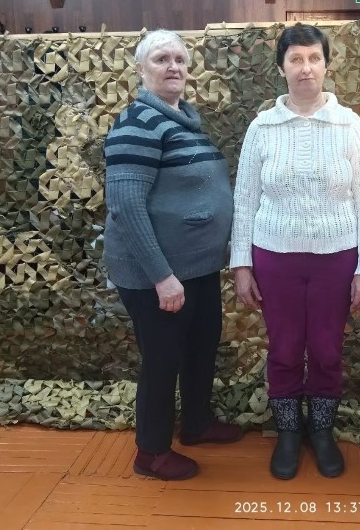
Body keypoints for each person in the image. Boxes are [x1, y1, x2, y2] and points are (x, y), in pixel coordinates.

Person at [230, 24, 360, 480]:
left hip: (337, 258)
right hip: (275, 257)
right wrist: (241, 264)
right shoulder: (262, 127)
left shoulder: (349, 124)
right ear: (281, 68)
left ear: (327, 65)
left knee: (327, 349)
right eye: (295, 59)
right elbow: (244, 199)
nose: (306, 68)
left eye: (314, 58)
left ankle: (321, 430)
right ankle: (288, 432)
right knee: (283, 347)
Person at [103, 29, 242, 482]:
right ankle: (151, 452)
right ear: (141, 69)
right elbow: (125, 205)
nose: (173, 67)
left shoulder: (185, 120)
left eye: (180, 59)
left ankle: (196, 423)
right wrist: (161, 277)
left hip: (197, 268)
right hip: (157, 274)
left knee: (201, 345)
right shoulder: (136, 123)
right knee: (163, 359)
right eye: (161, 59)